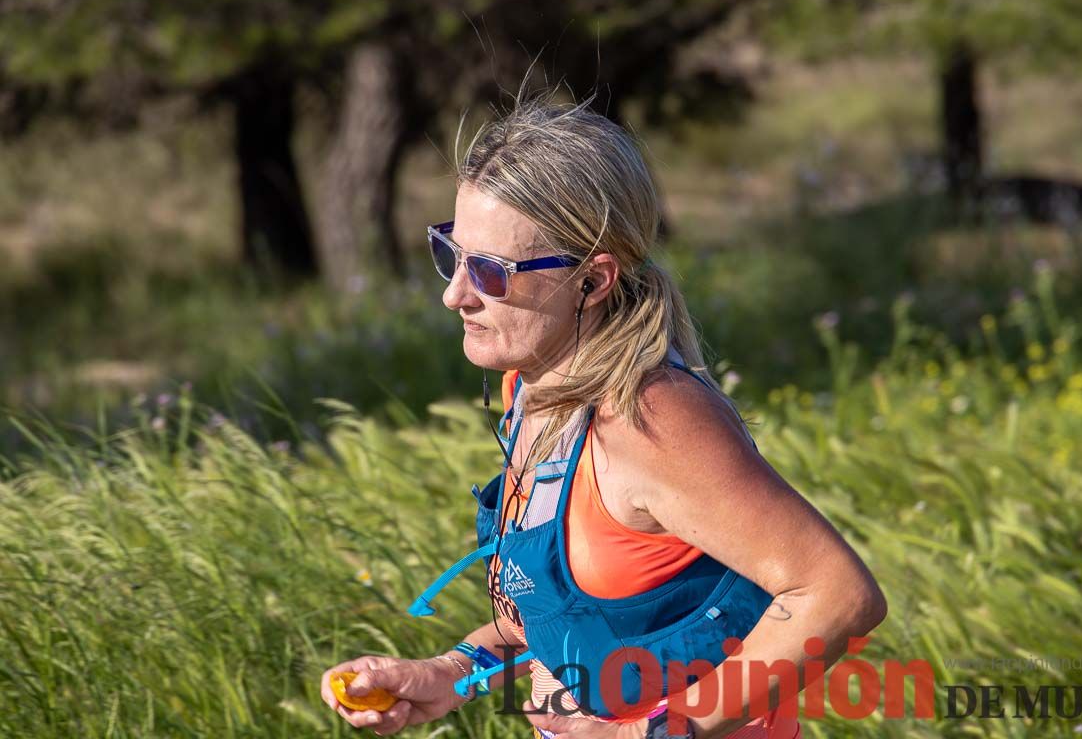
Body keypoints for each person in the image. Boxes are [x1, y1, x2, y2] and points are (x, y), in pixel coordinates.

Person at [320, 92, 887, 738]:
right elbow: (557, 614)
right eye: (451, 252)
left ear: (593, 281)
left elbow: (836, 595)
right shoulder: (531, 393)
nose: (455, 295)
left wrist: (648, 734)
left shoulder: (648, 420)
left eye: (491, 272)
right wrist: (448, 673)